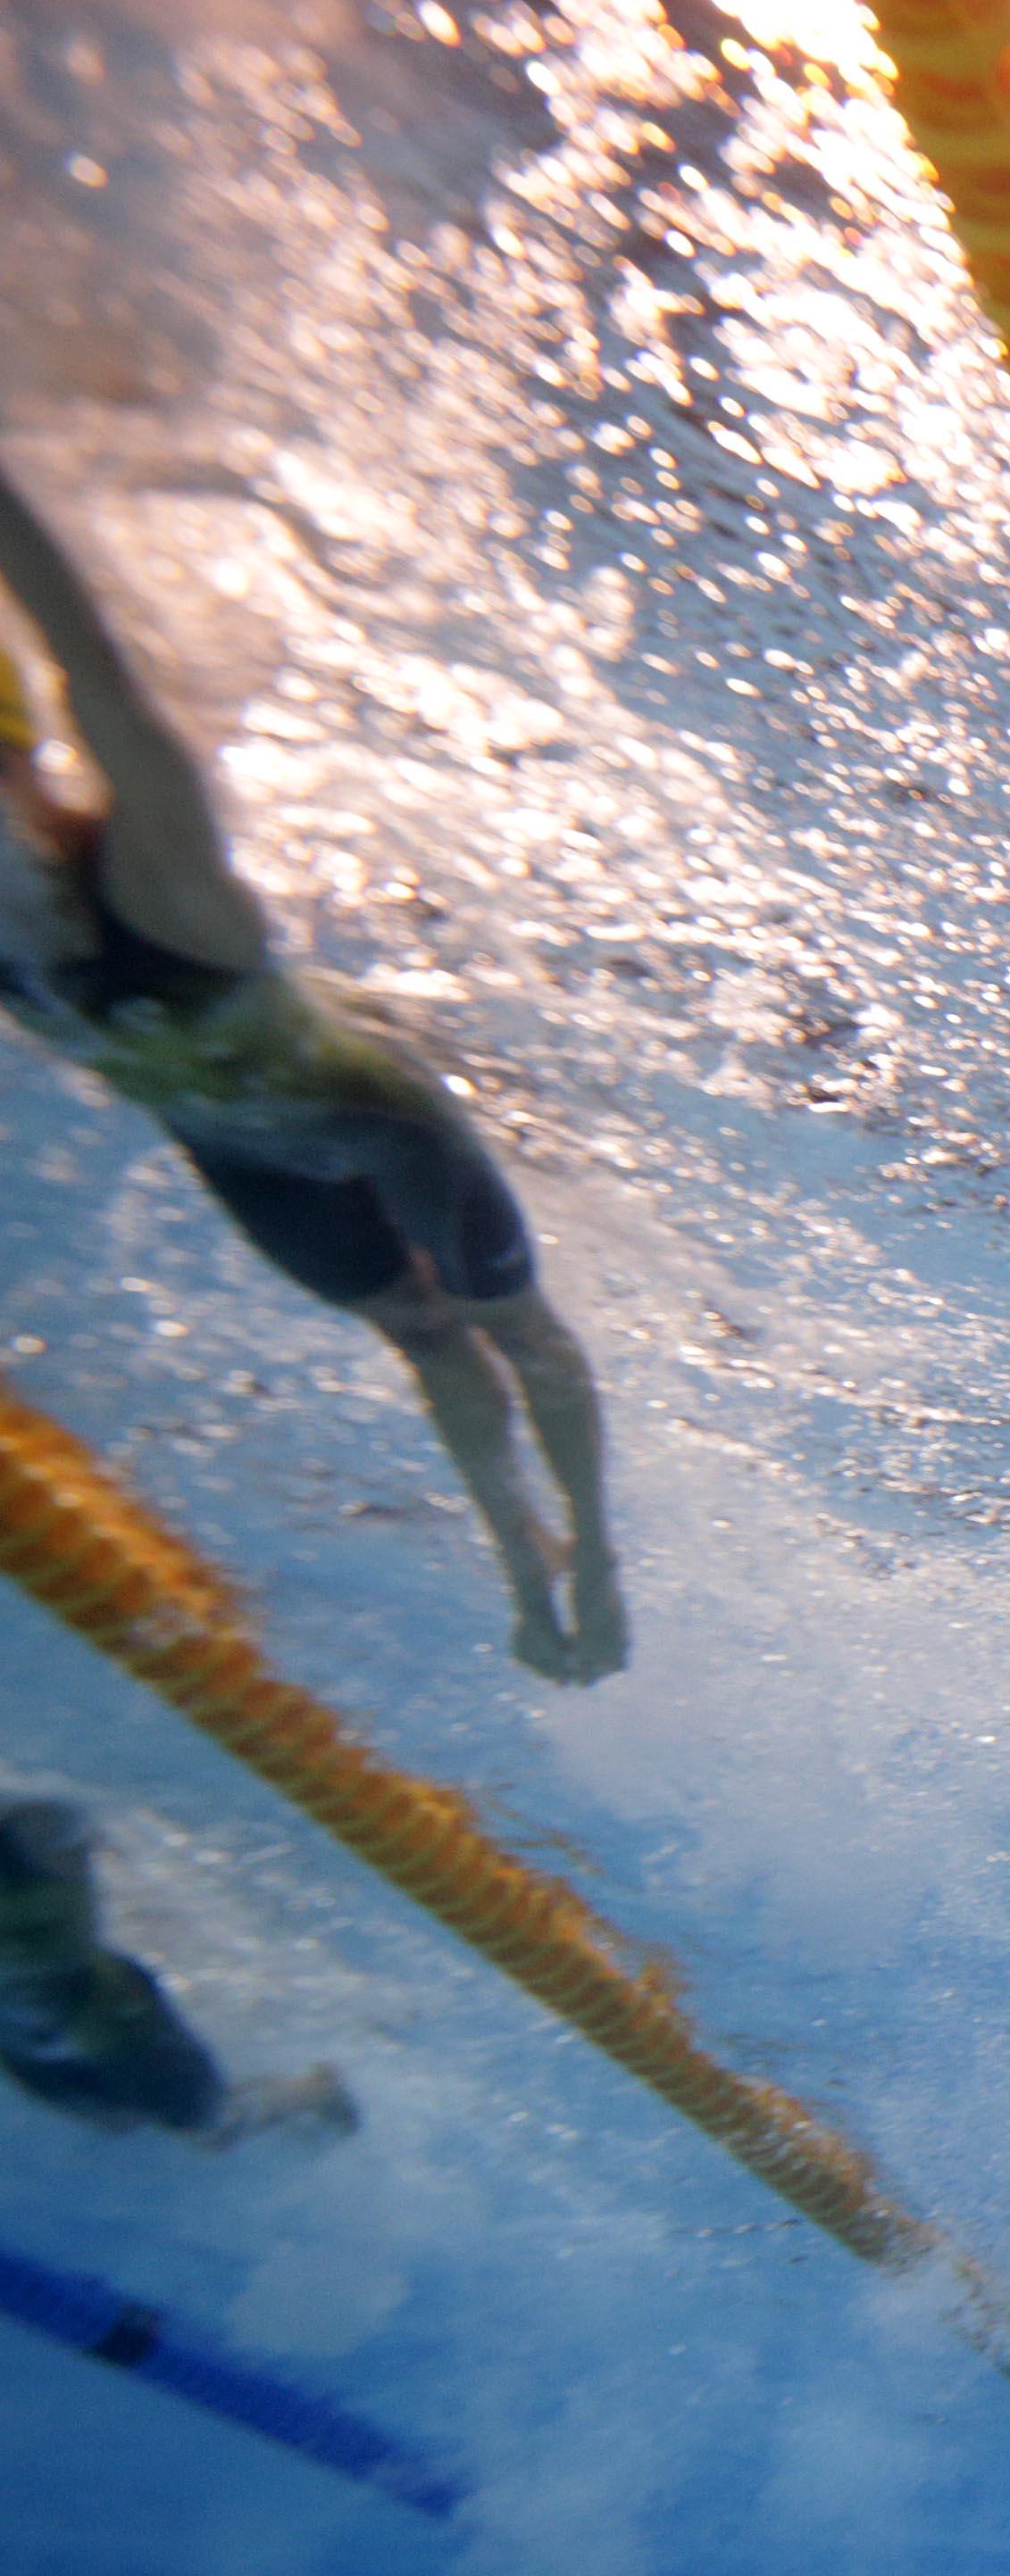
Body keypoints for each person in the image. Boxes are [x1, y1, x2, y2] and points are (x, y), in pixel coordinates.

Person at [0, 467, 622, 1682]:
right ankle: (524, 1569)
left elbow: (99, 675)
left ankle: (594, 1555)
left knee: (517, 1332)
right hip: (241, 1158)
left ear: (23, 777)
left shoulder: (159, 883)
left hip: (377, 1119)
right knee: (426, 1341)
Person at [0, 1799, 354, 2148]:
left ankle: (315, 2092)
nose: (21, 1949)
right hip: (43, 2049)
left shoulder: (111, 2015)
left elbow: (207, 2118)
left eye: (39, 1930)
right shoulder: (48, 1954)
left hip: (88, 2060)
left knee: (205, 2123)